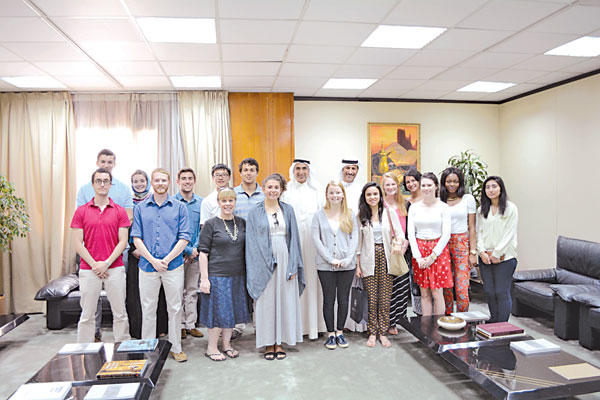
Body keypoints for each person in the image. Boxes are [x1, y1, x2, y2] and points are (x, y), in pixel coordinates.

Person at [131, 168, 190, 362]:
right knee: (148, 308)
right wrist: (153, 260)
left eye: (163, 180)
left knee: (175, 307)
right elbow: (136, 238)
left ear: (169, 182)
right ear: (152, 183)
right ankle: (148, 347)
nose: (160, 183)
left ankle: (176, 347)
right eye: (156, 180)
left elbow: (184, 238)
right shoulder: (140, 208)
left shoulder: (180, 207)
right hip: (148, 267)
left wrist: (166, 260)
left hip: (173, 266)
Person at [246, 173, 305, 360]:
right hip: (262, 260)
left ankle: (279, 342)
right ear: (263, 189)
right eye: (269, 187)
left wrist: (294, 264)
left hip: (285, 258)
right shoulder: (254, 212)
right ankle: (268, 343)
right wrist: (258, 266)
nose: (272, 190)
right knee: (267, 302)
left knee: (284, 299)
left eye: (276, 187)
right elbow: (251, 242)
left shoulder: (288, 210)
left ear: (281, 190)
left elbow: (294, 239)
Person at [76, 149, 133, 342]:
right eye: (98, 181)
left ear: (110, 183)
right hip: (89, 264)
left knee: (120, 311)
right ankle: (87, 346)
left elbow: (124, 235)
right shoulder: (82, 205)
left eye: (106, 181)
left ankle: (122, 347)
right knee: (88, 313)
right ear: (93, 184)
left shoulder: (120, 203)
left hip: (115, 263)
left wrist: (106, 263)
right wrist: (95, 264)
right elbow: (78, 239)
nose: (102, 184)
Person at [198, 188, 251, 361]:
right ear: (219, 203)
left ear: (235, 202)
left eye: (231, 201)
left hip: (237, 275)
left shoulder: (241, 223)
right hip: (217, 275)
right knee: (217, 312)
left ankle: (227, 345)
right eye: (224, 201)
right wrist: (204, 279)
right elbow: (203, 253)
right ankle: (211, 347)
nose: (227, 204)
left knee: (231, 312)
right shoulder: (211, 224)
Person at [356, 182, 405, 348]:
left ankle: (383, 333)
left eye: (375, 194)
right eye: (369, 194)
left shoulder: (389, 213)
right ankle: (372, 332)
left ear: (380, 195)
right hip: (367, 260)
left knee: (384, 299)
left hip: (387, 259)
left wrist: (397, 243)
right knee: (372, 299)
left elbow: (400, 234)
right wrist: (358, 265)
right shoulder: (360, 216)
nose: (372, 197)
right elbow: (358, 243)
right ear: (364, 197)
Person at [281, 159, 325, 340]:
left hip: (313, 243)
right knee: (294, 280)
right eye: (297, 169)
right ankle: (295, 327)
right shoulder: (286, 192)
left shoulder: (317, 191)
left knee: (313, 281)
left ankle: (315, 326)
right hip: (293, 241)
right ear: (293, 171)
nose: (301, 172)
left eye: (304, 169)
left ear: (309, 171)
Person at [311, 182, 358, 349]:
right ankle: (330, 334)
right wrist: (330, 259)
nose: (335, 196)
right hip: (325, 266)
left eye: (338, 192)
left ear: (343, 194)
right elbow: (316, 239)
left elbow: (354, 237)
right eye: (331, 193)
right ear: (327, 195)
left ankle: (340, 332)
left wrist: (348, 259)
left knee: (344, 299)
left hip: (347, 265)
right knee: (329, 299)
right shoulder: (318, 215)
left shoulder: (350, 214)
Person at [407, 172, 453, 316]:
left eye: (429, 185)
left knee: (437, 293)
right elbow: (411, 234)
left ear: (436, 186)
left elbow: (446, 234)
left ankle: (438, 326)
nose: (426, 188)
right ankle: (426, 326)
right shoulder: (414, 207)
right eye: (423, 185)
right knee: (424, 293)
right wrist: (418, 257)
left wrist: (433, 256)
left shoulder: (443, 207)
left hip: (438, 251)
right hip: (420, 251)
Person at [477, 176, 518, 323]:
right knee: (489, 291)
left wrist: (496, 253)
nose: (491, 190)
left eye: (494, 186)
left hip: (505, 257)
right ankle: (493, 322)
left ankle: (502, 326)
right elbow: (479, 232)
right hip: (485, 258)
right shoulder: (482, 210)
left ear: (501, 188)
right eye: (487, 187)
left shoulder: (510, 208)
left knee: (501, 291)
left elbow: (509, 234)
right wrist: (481, 252)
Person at [232, 158, 264, 340]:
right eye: (245, 170)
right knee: (239, 288)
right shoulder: (233, 193)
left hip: (259, 249)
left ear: (257, 172)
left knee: (258, 287)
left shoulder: (265, 194)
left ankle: (260, 325)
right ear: (240, 173)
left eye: (252, 169)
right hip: (238, 248)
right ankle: (239, 325)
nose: (249, 173)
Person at [440, 167, 477, 315]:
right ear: (444, 183)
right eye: (448, 181)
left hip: (461, 242)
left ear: (460, 182)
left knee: (462, 287)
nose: (452, 184)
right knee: (446, 286)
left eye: (455, 181)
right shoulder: (439, 200)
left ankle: (463, 319)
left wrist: (473, 252)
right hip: (443, 243)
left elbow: (472, 227)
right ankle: (448, 319)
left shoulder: (468, 199)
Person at [175, 168, 204, 339]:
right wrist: (186, 250)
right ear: (178, 181)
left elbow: (203, 228)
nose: (187, 181)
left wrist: (195, 249)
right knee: (177, 291)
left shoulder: (201, 203)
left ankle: (191, 324)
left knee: (192, 290)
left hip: (195, 254)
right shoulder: (172, 202)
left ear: (194, 181)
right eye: (184, 178)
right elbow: (172, 230)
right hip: (177, 255)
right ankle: (179, 325)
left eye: (190, 178)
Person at [339, 158, 366, 333]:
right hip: (341, 239)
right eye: (347, 168)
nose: (350, 171)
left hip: (360, 237)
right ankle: (344, 322)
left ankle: (359, 321)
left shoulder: (361, 189)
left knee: (359, 280)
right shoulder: (336, 188)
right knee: (343, 282)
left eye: (353, 168)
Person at [381, 172, 410, 334]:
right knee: (388, 287)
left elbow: (409, 227)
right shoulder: (381, 204)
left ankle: (399, 319)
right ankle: (388, 321)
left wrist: (405, 244)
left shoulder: (404, 204)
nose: (390, 187)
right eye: (387, 184)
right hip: (387, 248)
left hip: (403, 248)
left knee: (402, 286)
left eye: (393, 184)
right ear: (383, 187)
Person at [403, 168, 423, 316]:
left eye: (413, 180)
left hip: (427, 245)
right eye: (408, 182)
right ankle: (419, 313)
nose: (410, 184)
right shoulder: (405, 203)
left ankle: (434, 315)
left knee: (429, 284)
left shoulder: (429, 201)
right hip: (410, 247)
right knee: (414, 282)